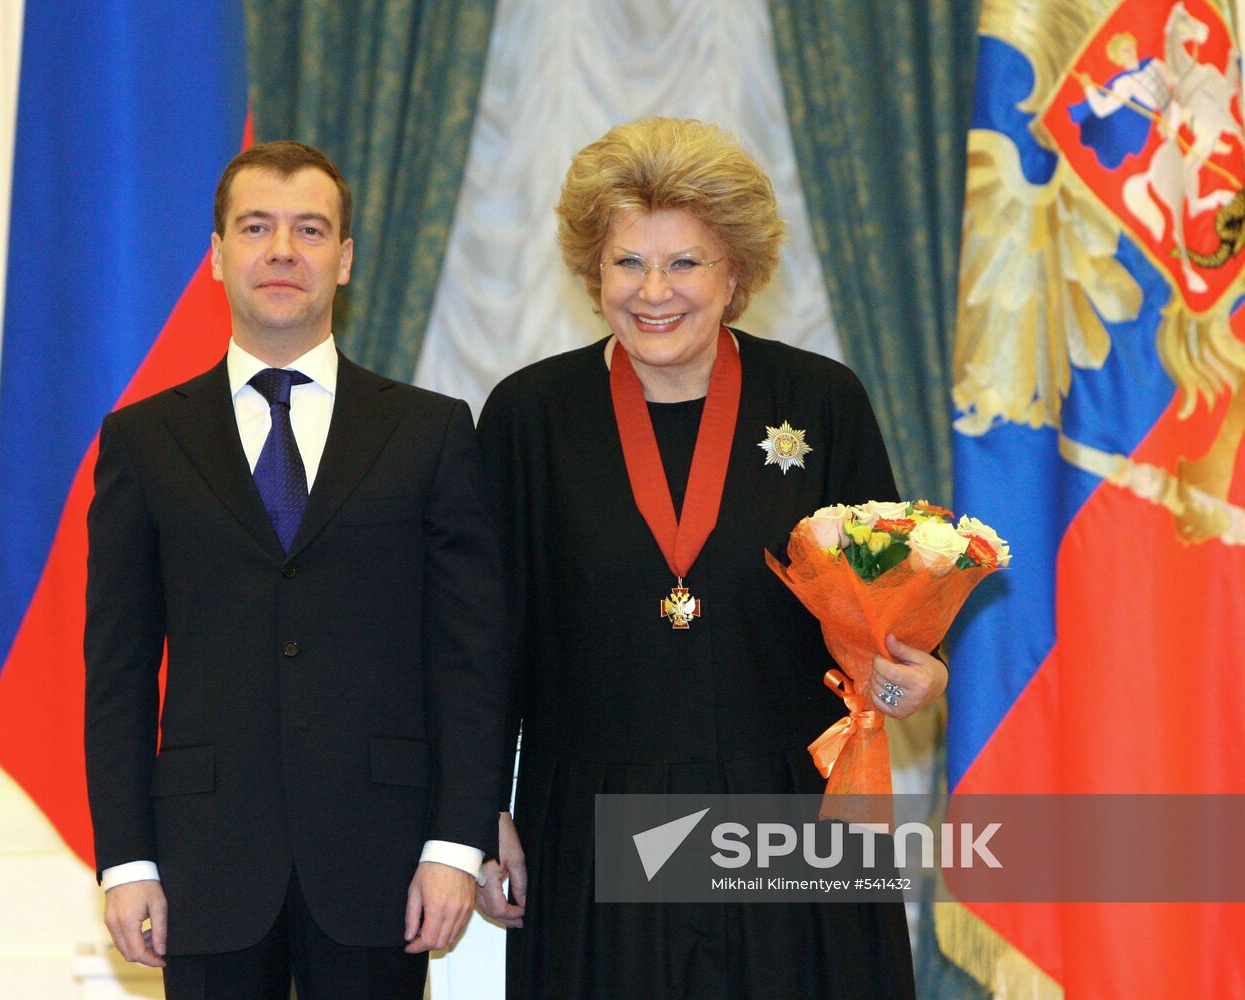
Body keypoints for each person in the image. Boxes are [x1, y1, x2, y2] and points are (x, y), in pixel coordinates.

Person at [475, 117, 942, 998]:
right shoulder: (529, 416)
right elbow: (486, 636)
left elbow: (883, 617)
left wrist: (914, 677)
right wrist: (481, 807)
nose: (654, 290)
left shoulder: (821, 399)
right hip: (591, 814)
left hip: (789, 810)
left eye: (684, 262)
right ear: (591, 271)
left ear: (736, 272)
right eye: (627, 263)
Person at [84, 140, 505, 1000]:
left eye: (310, 229)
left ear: (343, 260)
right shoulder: (142, 441)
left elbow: (471, 658)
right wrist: (125, 860)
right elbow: (118, 672)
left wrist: (456, 845)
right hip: (203, 866)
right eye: (256, 227)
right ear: (216, 255)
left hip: (384, 863)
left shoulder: (429, 432)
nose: (282, 250)